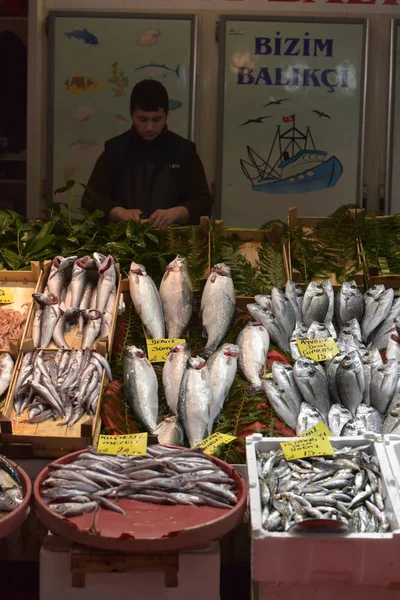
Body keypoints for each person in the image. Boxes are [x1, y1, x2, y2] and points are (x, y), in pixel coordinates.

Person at [82, 79, 212, 228]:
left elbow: (204, 203)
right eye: (142, 119)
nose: (149, 127)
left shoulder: (184, 151)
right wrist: (119, 213)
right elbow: (90, 199)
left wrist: (177, 213)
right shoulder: (115, 150)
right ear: (131, 113)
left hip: (174, 240)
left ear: (166, 114)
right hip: (121, 240)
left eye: (157, 119)